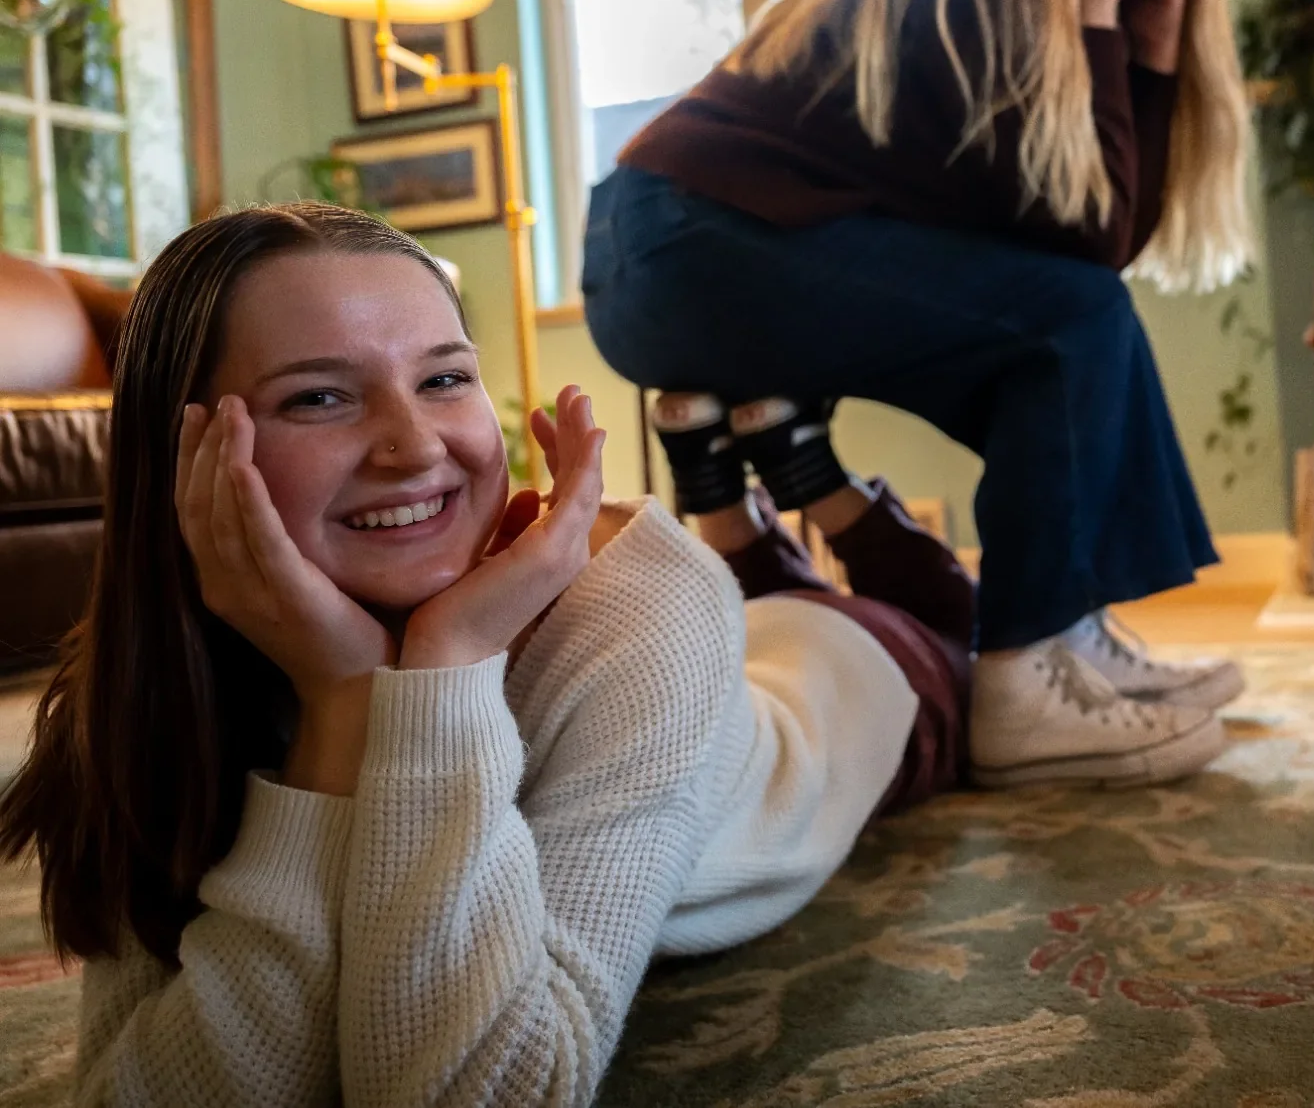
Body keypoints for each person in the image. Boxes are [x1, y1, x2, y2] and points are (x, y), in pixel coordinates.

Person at [0, 202, 972, 1106]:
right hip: (738, 663)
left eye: (443, 378)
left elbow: (486, 1088)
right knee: (773, 582)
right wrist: (343, 704)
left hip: (850, 692)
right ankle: (748, 519)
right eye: (322, 398)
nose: (414, 448)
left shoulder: (641, 602)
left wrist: (445, 667)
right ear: (181, 456)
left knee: (946, 621)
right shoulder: (149, 674)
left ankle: (794, 500)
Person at [584, 0, 1252, 789]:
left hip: (685, 248)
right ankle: (1023, 680)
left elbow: (1089, 229)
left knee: (1054, 332)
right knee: (1069, 321)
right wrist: (1107, 24)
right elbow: (1091, 245)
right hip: (684, 243)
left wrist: (1148, 46)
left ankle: (1063, 632)